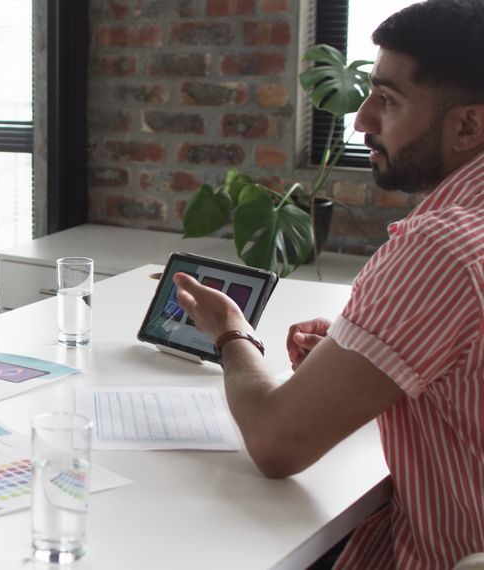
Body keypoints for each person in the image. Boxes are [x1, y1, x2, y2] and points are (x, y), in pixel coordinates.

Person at [172, 0, 484, 567]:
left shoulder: (442, 246)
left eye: (387, 101)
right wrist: (358, 359)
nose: (361, 120)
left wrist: (231, 333)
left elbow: (275, 443)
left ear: (469, 124)